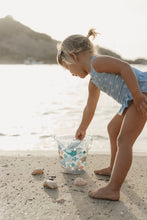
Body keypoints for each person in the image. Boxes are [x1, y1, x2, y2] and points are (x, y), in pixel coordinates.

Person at [57, 29, 147, 201]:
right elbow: (90, 107)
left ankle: (113, 189)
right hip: (132, 98)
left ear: (73, 56)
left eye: (68, 68)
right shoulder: (93, 80)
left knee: (124, 140)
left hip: (142, 92)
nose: (71, 73)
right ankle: (113, 169)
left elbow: (124, 67)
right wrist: (82, 127)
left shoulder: (97, 63)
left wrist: (136, 94)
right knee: (112, 128)